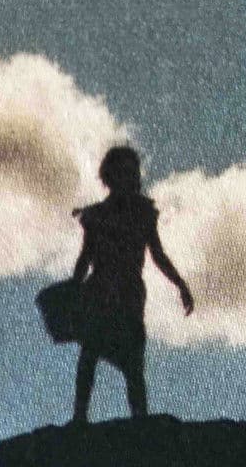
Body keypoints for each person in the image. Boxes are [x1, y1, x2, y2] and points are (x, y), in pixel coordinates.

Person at [69, 146, 194, 423]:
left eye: (132, 172)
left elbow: (157, 255)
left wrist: (180, 284)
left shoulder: (143, 213)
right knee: (89, 353)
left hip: (129, 293)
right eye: (122, 172)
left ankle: (139, 420)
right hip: (100, 290)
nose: (129, 177)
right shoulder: (96, 215)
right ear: (110, 176)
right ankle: (79, 417)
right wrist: (72, 291)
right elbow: (85, 257)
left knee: (134, 362)